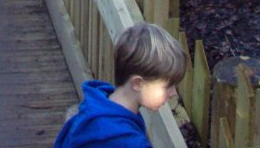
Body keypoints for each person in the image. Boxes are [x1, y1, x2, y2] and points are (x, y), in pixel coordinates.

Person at [52, 22, 187, 148]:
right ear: (138, 83)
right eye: (167, 86)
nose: (173, 93)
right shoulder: (128, 141)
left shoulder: (94, 107)